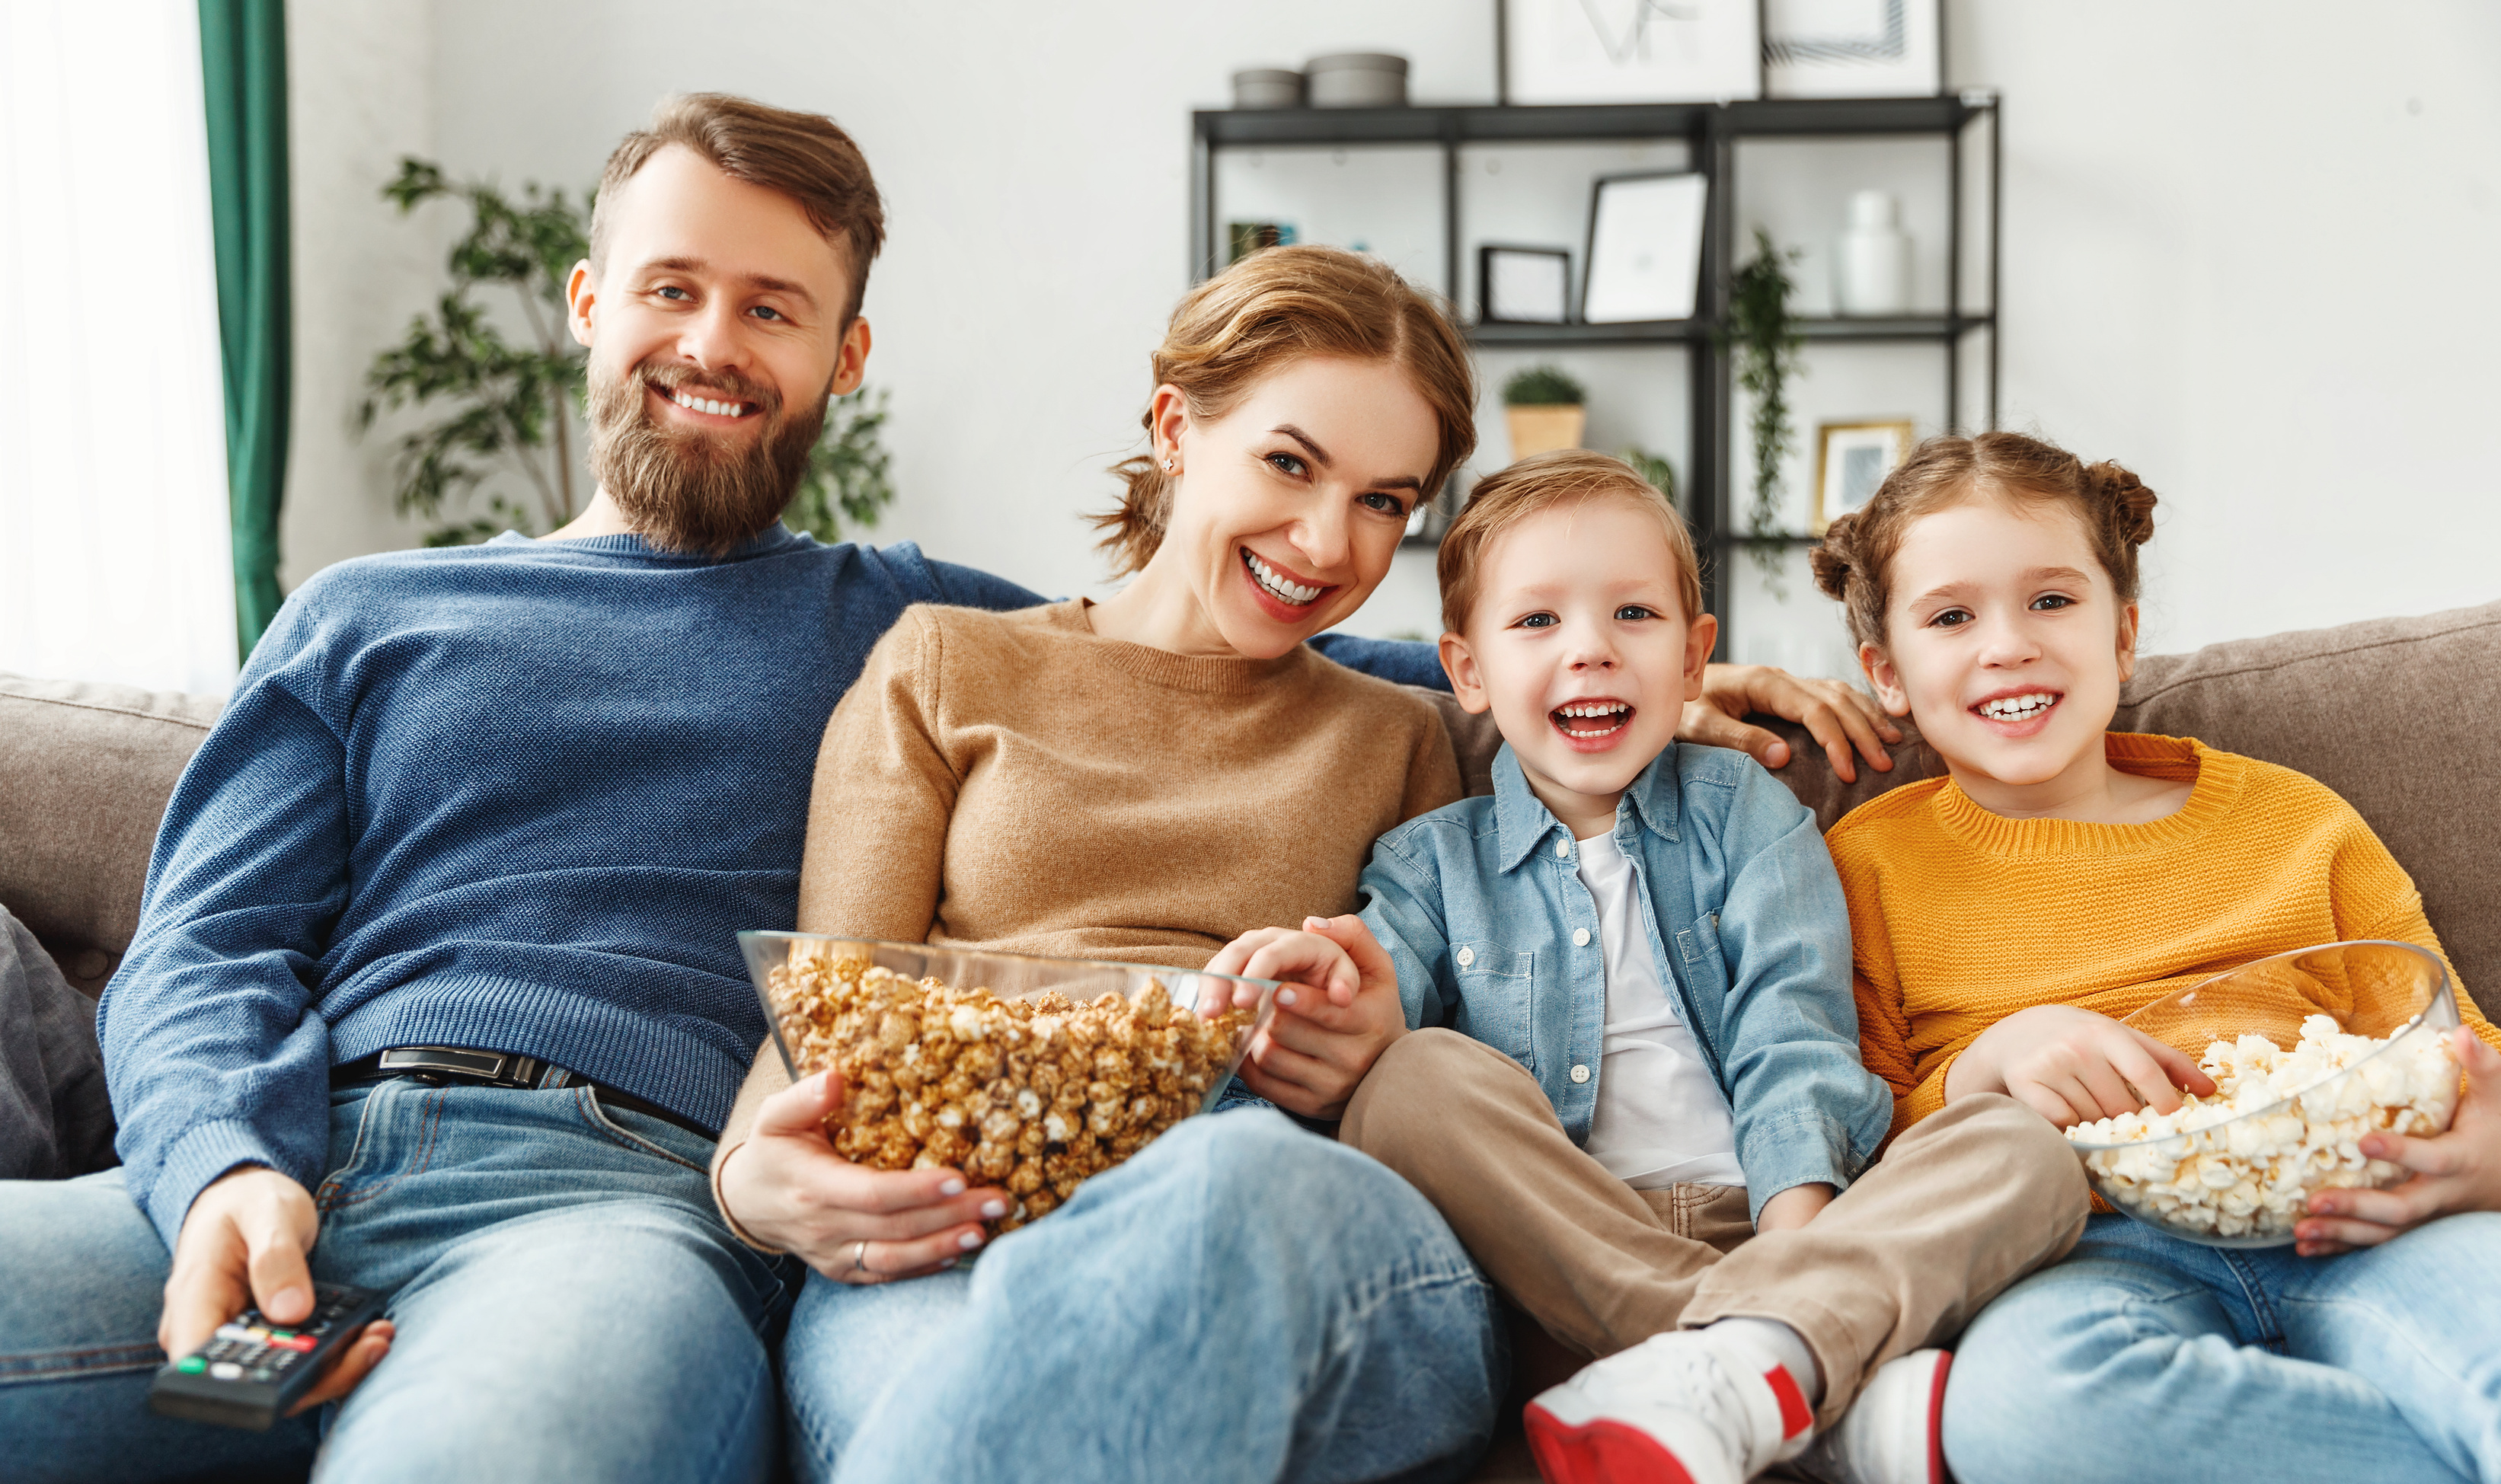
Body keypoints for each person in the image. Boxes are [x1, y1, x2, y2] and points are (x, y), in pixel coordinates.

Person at [0, 91, 1898, 1483]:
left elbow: (1325, 691)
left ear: (844, 355)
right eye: (678, 291)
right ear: (589, 303)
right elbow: (202, 944)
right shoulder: (388, 613)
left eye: (774, 309)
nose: (716, 347)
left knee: (1220, 1197)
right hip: (325, 1159)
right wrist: (227, 1158)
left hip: (711, 1212)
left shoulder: (900, 607)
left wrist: (1611, 660)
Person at [1209, 452, 2087, 1484]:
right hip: (1564, 1259)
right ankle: (1788, 1374)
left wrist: (1790, 1254)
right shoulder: (1428, 863)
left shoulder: (1749, 812)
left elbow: (1791, 1032)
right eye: (1537, 623)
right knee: (1408, 1079)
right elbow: (1378, 999)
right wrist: (1328, 980)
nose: (1590, 652)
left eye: (1633, 615)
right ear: (1466, 670)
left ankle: (1756, 1351)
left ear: (1693, 654)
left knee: (2025, 1145)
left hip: (1780, 1226)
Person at [1813, 431, 2501, 1484]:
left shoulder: (2292, 819)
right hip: (2078, 1254)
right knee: (2027, 1413)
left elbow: (2452, 1039)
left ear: (2124, 635)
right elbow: (1849, 1139)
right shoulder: (1863, 862)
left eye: (2052, 600)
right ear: (1885, 672)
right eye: (1952, 616)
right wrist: (1990, 1068)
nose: (2008, 645)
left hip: (2364, 1216)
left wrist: (2488, 1148)